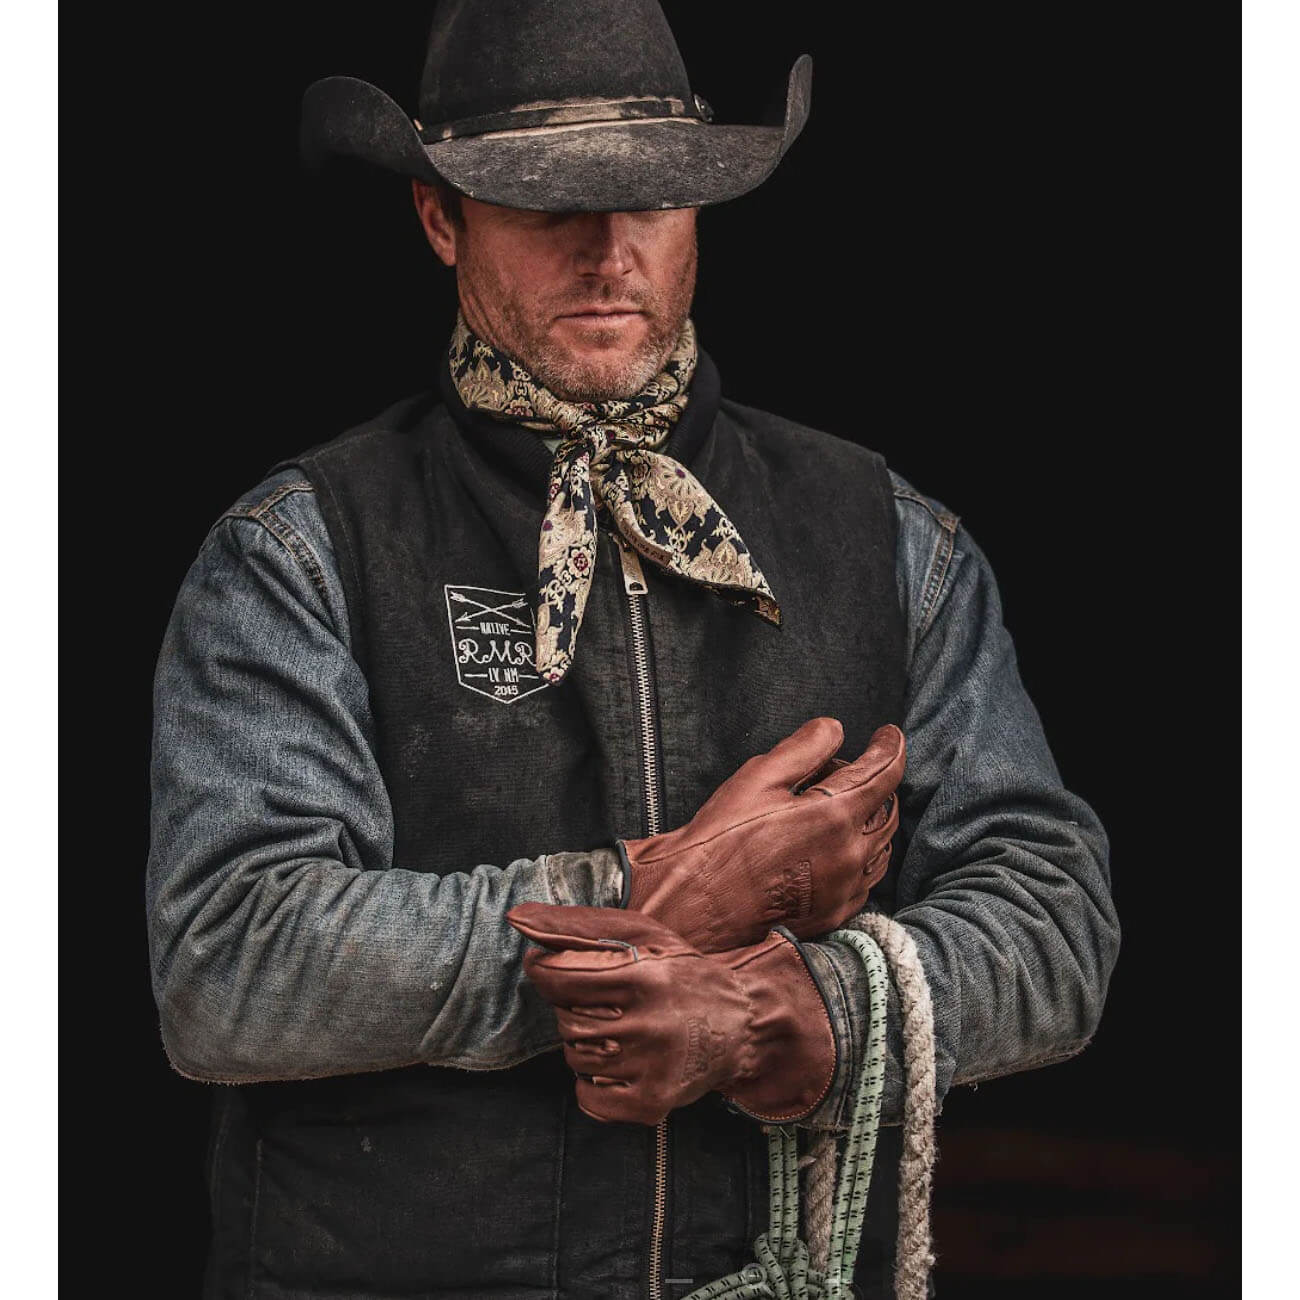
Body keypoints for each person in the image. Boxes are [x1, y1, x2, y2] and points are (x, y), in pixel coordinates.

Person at [145, 2, 1121, 1297]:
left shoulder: (887, 539)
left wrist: (780, 1015)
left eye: (653, 201)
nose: (610, 253)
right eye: (550, 203)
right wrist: (654, 896)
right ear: (442, 219)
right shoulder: (300, 549)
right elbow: (232, 958)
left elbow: (1056, 925)